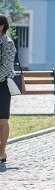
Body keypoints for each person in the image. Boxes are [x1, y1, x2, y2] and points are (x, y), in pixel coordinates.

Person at [0, 15, 16, 164]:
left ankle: (2, 152)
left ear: (2, 26)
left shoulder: (8, 43)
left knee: (2, 120)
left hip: (2, 84)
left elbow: (6, 67)